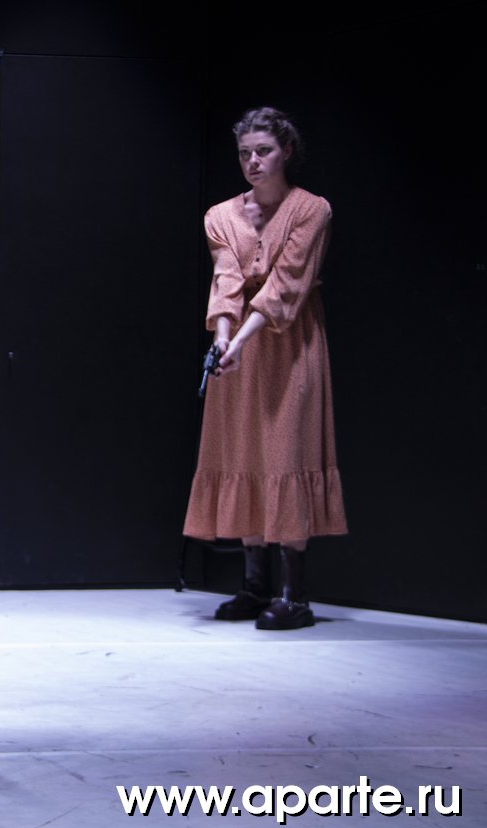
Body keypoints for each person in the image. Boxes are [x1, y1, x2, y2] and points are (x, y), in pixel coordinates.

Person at [183, 107, 348, 630]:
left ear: (286, 151)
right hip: (239, 349)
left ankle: (294, 595)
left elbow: (285, 286)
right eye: (244, 153)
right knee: (242, 451)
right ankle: (255, 587)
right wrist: (223, 340)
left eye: (263, 151)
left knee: (286, 451)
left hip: (290, 342)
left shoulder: (311, 210)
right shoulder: (221, 215)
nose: (252, 161)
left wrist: (241, 339)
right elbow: (226, 280)